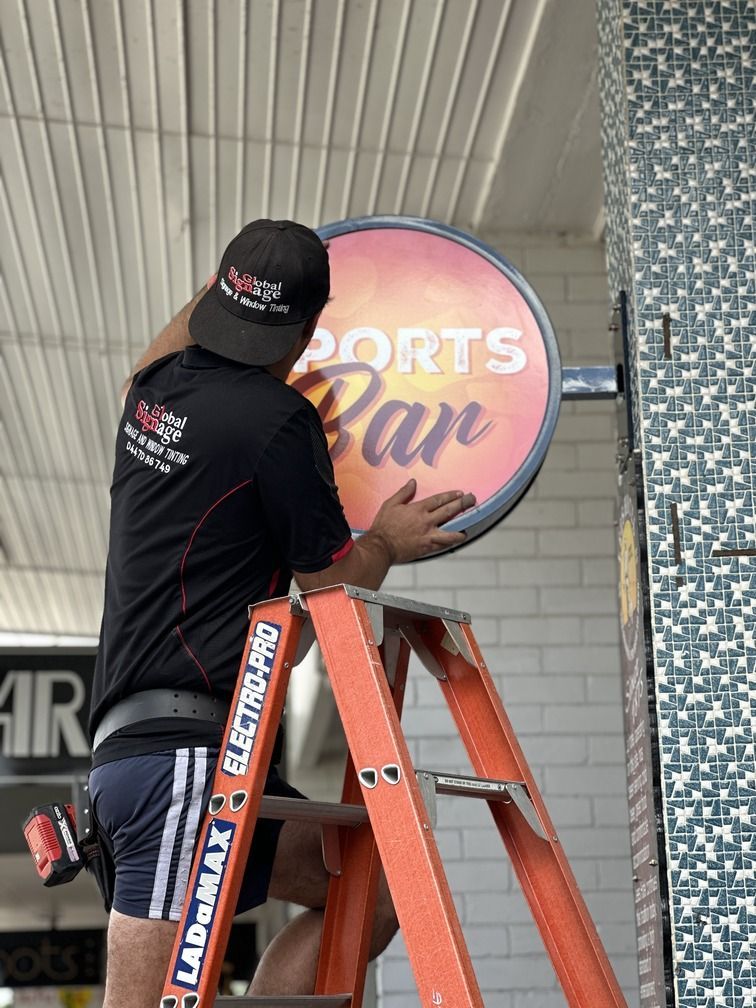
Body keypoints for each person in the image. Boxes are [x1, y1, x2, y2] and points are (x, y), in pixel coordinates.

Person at [88, 219, 476, 1008]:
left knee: (371, 893)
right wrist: (391, 541)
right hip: (183, 764)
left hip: (179, 755)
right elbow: (332, 582)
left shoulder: (147, 400)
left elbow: (158, 349)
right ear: (306, 331)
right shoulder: (279, 422)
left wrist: (236, 279)